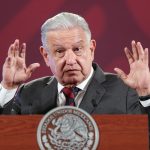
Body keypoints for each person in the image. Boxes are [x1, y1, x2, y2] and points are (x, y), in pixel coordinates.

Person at [0, 12, 150, 114]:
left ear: (91, 49)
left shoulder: (126, 91)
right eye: (60, 51)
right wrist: (8, 88)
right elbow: (5, 138)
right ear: (46, 55)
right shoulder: (28, 92)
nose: (70, 60)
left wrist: (145, 94)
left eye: (77, 49)